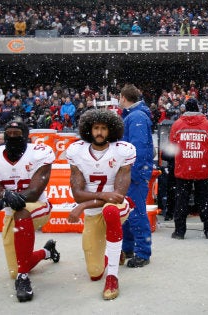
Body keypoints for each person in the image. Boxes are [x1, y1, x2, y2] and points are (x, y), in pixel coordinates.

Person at [0, 120, 60, 303]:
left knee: (22, 213)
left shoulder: (39, 153)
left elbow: (33, 192)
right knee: (18, 265)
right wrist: (5, 197)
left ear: (26, 136)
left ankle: (23, 280)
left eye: (17, 134)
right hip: (11, 214)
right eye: (10, 134)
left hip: (38, 207)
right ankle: (47, 252)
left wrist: (2, 200)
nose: (13, 137)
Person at [66, 109, 135, 300]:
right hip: (93, 210)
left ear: (111, 130)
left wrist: (82, 205)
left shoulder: (122, 150)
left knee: (111, 211)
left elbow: (118, 196)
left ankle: (112, 276)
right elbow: (78, 194)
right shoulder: (76, 151)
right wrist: (99, 196)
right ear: (89, 129)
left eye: (104, 128)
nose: (99, 132)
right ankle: (114, 251)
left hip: (116, 206)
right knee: (95, 273)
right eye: (95, 128)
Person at [168, 98, 208, 239]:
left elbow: (172, 146)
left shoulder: (177, 125)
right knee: (205, 200)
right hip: (202, 169)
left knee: (181, 201)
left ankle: (179, 232)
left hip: (183, 169)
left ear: (185, 109)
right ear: (198, 108)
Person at [118, 84, 154, 268]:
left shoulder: (136, 117)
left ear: (124, 97)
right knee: (127, 213)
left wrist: (133, 174)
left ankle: (142, 252)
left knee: (136, 213)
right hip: (130, 173)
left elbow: (139, 149)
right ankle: (128, 248)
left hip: (134, 174)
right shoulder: (134, 116)